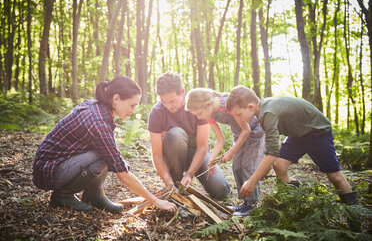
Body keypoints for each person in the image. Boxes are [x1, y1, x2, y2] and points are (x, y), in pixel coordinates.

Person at [33, 76, 177, 213]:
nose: (132, 111)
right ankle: (63, 195)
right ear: (116, 98)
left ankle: (94, 195)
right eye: (131, 105)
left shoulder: (100, 110)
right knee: (105, 155)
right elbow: (121, 171)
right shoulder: (97, 121)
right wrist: (155, 201)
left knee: (106, 152)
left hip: (64, 162)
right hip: (51, 169)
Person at [225, 86, 360, 206]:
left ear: (250, 107)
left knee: (334, 176)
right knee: (279, 165)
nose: (238, 119)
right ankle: (291, 203)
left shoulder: (268, 113)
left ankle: (354, 214)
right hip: (297, 135)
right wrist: (263, 171)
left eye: (239, 114)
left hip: (317, 132)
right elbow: (274, 144)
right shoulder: (262, 110)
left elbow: (272, 152)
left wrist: (252, 180)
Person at [147, 71, 230, 200]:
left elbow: (202, 146)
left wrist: (190, 174)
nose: (168, 106)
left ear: (182, 92)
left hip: (196, 153)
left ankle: (187, 177)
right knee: (176, 134)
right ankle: (176, 182)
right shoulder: (156, 113)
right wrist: (168, 182)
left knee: (221, 190)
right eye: (164, 101)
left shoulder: (197, 105)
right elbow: (157, 155)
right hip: (172, 155)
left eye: (172, 101)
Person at [185, 88, 265, 216]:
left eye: (199, 113)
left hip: (254, 133)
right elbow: (220, 139)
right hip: (239, 135)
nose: (198, 117)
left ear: (208, 105)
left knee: (248, 166)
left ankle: (253, 205)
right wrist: (211, 160)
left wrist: (231, 152)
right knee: (237, 166)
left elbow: (247, 130)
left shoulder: (228, 105)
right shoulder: (209, 113)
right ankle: (245, 203)